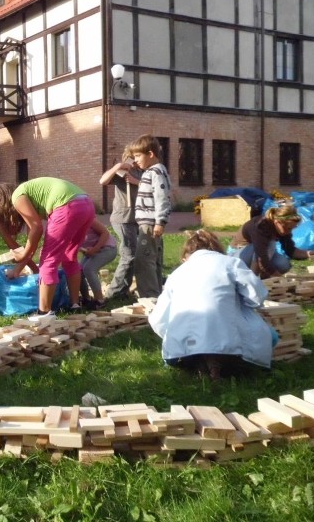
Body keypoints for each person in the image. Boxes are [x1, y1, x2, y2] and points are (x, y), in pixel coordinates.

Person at [148, 230, 276, 380]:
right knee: (269, 335)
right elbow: (257, 296)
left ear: (187, 254)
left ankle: (201, 362)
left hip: (182, 349)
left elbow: (158, 319)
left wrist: (173, 335)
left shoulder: (177, 273)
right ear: (217, 249)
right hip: (229, 346)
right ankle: (218, 364)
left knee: (197, 342)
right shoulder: (231, 263)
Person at [0, 178, 95, 316]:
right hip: (86, 205)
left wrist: (22, 255)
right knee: (69, 256)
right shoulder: (29, 195)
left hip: (67, 206)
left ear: (3, 202)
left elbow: (37, 229)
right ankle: (75, 305)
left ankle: (44, 312)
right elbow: (32, 242)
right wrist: (17, 270)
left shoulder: (17, 197)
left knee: (48, 260)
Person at [98, 148, 142, 302]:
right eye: (133, 157)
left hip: (139, 219)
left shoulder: (144, 171)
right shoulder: (121, 172)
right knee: (129, 255)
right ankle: (114, 292)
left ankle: (125, 288)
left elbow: (153, 187)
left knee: (137, 255)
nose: (136, 160)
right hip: (123, 218)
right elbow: (102, 181)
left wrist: (136, 181)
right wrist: (117, 167)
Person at [131, 135, 172, 298]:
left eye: (138, 156)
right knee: (152, 260)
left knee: (144, 261)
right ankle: (156, 294)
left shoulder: (156, 172)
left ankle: (149, 297)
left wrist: (160, 221)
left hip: (150, 224)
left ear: (150, 154)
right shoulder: (151, 172)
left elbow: (162, 197)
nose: (135, 160)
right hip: (147, 223)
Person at [229, 204, 313, 278]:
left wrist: (307, 254)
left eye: (291, 229)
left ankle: (263, 278)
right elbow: (261, 258)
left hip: (258, 253)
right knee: (270, 245)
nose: (289, 232)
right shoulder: (260, 226)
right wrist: (280, 278)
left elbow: (290, 250)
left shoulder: (283, 229)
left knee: (284, 264)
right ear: (277, 222)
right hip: (237, 255)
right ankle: (252, 279)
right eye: (288, 228)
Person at [78, 219, 118, 308]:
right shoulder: (66, 224)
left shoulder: (88, 219)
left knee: (89, 269)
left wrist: (95, 249)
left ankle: (99, 300)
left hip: (107, 248)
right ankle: (86, 299)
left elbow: (105, 233)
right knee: (78, 271)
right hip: (90, 250)